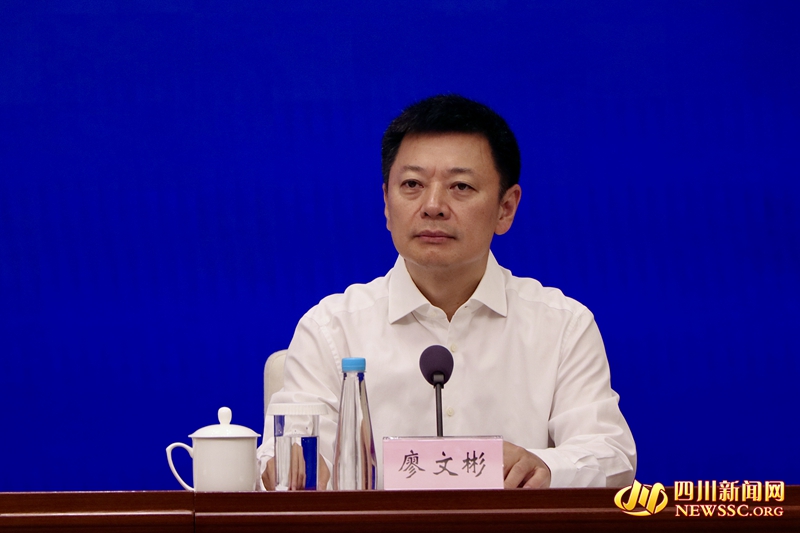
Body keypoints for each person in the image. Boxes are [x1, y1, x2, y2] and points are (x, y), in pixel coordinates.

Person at [258, 94, 636, 490]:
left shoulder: (562, 326)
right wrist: (289, 470)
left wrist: (542, 466)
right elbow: (281, 461)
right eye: (412, 185)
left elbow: (611, 454)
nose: (433, 205)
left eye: (460, 186)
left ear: (506, 208)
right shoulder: (331, 329)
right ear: (386, 203)